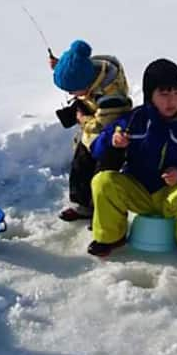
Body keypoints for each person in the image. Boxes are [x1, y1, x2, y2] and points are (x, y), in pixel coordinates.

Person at [89, 59, 177, 260]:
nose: (172, 101)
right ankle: (111, 237)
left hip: (171, 194)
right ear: (150, 95)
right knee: (103, 182)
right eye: (164, 94)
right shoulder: (134, 119)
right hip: (137, 190)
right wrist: (113, 142)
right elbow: (96, 148)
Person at [50, 40, 133, 225]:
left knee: (101, 173)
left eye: (72, 90)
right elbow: (72, 70)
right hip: (91, 131)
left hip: (110, 137)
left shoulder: (113, 96)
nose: (70, 94)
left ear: (87, 84)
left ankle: (102, 211)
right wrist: (59, 67)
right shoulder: (87, 69)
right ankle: (84, 205)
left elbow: (102, 125)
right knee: (80, 165)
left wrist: (81, 119)